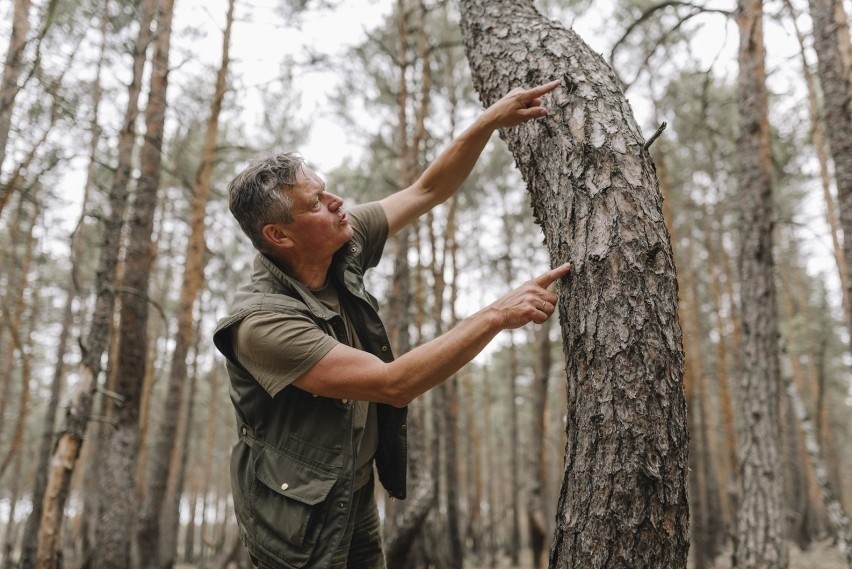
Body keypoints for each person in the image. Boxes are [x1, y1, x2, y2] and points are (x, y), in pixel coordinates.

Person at [213, 80, 567, 569]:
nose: (337, 202)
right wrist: (496, 314)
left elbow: (428, 189)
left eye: (326, 189)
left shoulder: (337, 240)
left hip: (352, 496)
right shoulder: (262, 325)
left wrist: (488, 121)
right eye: (315, 203)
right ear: (279, 236)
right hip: (295, 524)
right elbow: (391, 384)